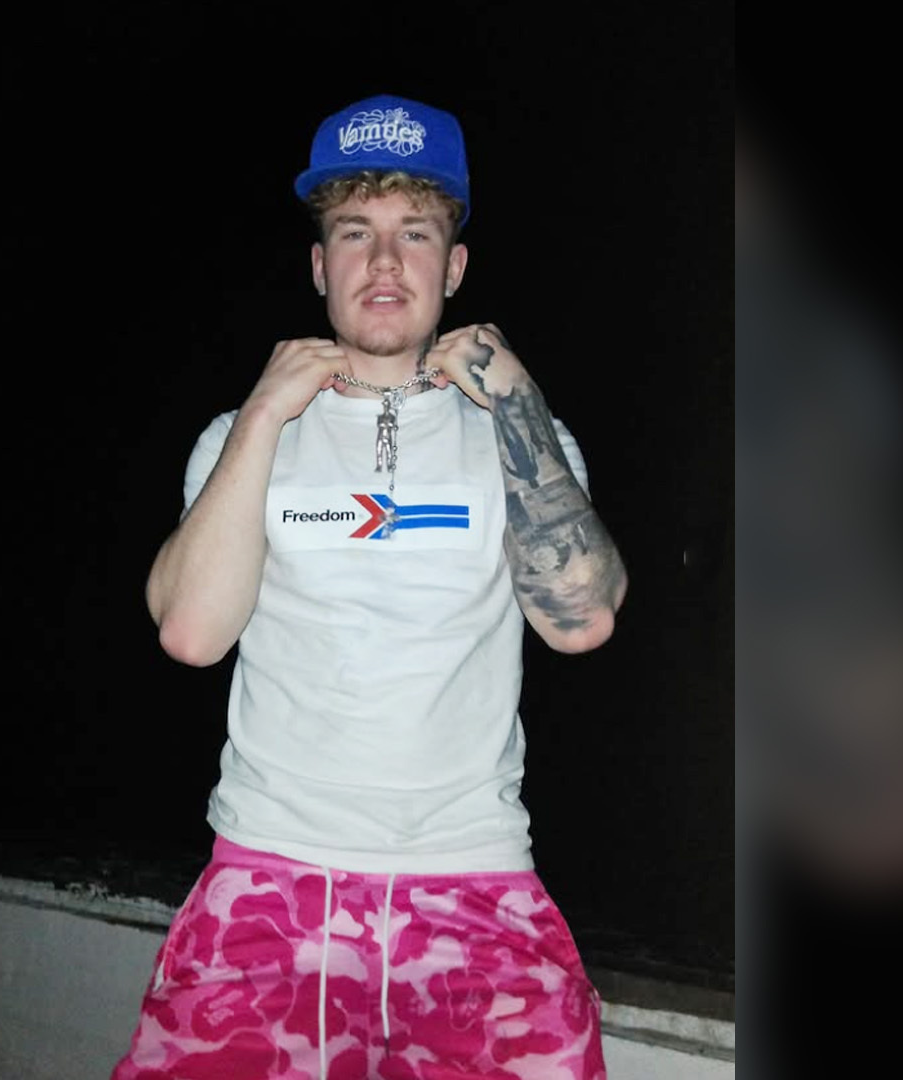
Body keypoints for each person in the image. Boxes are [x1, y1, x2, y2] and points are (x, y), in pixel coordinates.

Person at [113, 94, 625, 1080]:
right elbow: (190, 634)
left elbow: (584, 619)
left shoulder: (522, 438)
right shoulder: (240, 439)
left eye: (414, 233)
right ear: (320, 266)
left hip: (474, 885)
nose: (384, 262)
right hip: (267, 885)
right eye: (355, 232)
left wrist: (516, 394)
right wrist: (264, 414)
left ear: (454, 267)